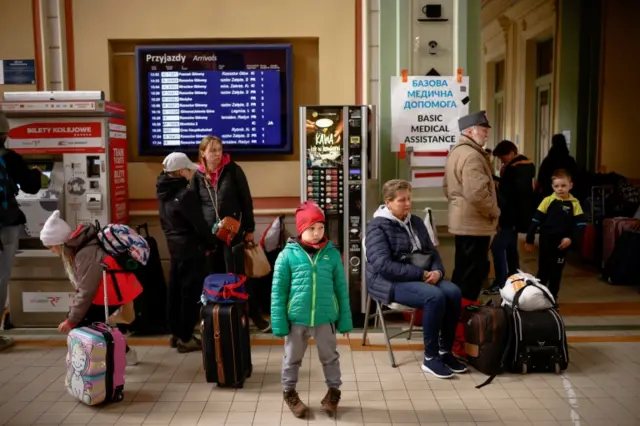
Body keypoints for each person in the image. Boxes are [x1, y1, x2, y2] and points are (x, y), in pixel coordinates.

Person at [366, 179, 466, 379]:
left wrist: (437, 271)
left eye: (409, 199)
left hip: (422, 275)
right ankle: (430, 358)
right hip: (389, 281)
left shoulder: (417, 222)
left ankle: (445, 351)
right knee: (434, 296)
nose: (408, 204)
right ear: (388, 202)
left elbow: (432, 252)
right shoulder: (377, 227)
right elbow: (383, 265)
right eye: (402, 200)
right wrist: (421, 274)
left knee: (454, 292)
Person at [271, 201, 352, 418]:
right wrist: (278, 323)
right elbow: (278, 292)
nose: (317, 233)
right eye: (311, 228)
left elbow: (341, 289)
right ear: (300, 229)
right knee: (292, 358)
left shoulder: (332, 254)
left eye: (321, 227)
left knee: (330, 357)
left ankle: (333, 392)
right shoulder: (287, 256)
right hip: (296, 318)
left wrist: (345, 320)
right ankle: (289, 392)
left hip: (325, 317)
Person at [190, 136, 270, 332]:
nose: (218, 154)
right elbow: (194, 208)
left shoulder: (233, 170)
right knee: (213, 277)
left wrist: (249, 229)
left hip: (233, 233)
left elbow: (246, 200)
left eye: (219, 149)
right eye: (213, 150)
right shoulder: (197, 177)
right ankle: (217, 319)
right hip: (210, 237)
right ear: (203, 154)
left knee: (238, 276)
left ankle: (252, 316)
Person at [39, 210, 141, 365]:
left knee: (86, 323)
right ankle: (122, 355)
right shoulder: (81, 247)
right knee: (95, 323)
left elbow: (87, 290)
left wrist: (71, 319)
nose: (52, 252)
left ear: (59, 243)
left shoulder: (84, 253)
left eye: (50, 247)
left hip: (114, 291)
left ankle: (117, 357)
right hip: (112, 289)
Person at [157, 152, 217, 353]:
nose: (192, 173)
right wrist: (211, 243)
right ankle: (185, 337)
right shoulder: (185, 194)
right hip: (191, 250)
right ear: (181, 171)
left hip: (174, 249)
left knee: (174, 292)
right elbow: (199, 224)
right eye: (190, 170)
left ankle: (175, 333)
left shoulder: (162, 192)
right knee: (189, 295)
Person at [443, 111, 500, 301]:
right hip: (474, 224)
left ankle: (458, 314)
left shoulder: (456, 152)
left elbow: (446, 187)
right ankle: (465, 317)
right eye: (483, 130)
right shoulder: (473, 156)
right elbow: (477, 194)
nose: (486, 134)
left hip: (463, 221)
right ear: (470, 131)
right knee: (472, 275)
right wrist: (494, 210)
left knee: (463, 270)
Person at [0, 111, 43, 351]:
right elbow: (32, 187)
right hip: (4, 227)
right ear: (5, 134)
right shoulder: (9, 158)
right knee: (0, 278)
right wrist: (36, 172)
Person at [484, 140, 536, 295]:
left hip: (510, 214)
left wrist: (496, 181)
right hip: (518, 215)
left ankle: (500, 283)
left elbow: (510, 191)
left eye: (503, 157)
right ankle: (514, 277)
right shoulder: (526, 166)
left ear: (512, 153)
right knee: (511, 248)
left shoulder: (516, 168)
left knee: (498, 247)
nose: (502, 161)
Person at [525, 169, 586, 300]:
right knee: (543, 270)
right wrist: (529, 239)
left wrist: (571, 239)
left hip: (563, 243)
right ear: (552, 187)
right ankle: (537, 298)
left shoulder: (575, 203)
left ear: (571, 185)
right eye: (556, 186)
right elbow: (536, 220)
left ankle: (552, 299)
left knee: (556, 272)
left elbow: (580, 225)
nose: (560, 189)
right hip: (546, 240)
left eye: (563, 186)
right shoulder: (547, 201)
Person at [536, 133, 577, 199]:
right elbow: (574, 175)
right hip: (566, 192)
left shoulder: (548, 160)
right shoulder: (570, 160)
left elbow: (541, 176)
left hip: (550, 191)